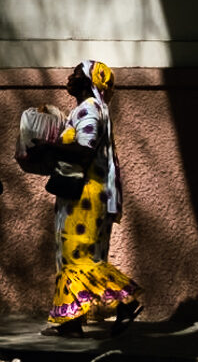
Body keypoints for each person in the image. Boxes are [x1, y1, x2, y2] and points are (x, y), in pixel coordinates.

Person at [26, 59, 141, 337]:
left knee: (78, 259)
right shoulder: (84, 109)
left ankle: (126, 302)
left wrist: (49, 145)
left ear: (89, 80)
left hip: (85, 197)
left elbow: (84, 150)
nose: (70, 75)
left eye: (77, 72)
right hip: (81, 194)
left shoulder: (90, 109)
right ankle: (71, 323)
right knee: (71, 258)